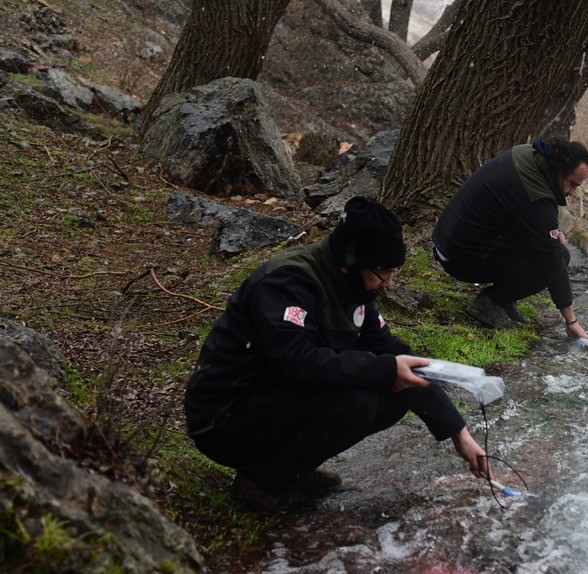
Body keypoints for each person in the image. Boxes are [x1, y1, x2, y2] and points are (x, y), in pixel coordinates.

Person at [183, 196, 489, 512]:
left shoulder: (353, 290)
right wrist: (385, 369)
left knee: (394, 397)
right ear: (349, 262)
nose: (388, 284)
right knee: (357, 401)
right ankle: (262, 482)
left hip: (270, 402)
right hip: (223, 419)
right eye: (383, 273)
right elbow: (296, 362)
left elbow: (394, 354)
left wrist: (458, 433)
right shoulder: (286, 282)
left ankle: (292, 468)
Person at [432, 137, 588, 341]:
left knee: (548, 245)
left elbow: (520, 214)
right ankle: (488, 303)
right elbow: (551, 259)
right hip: (461, 258)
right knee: (559, 257)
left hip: (449, 241)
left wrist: (547, 233)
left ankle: (505, 299)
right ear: (559, 170)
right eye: (572, 184)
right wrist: (571, 321)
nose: (572, 192)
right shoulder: (537, 195)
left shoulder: (527, 154)